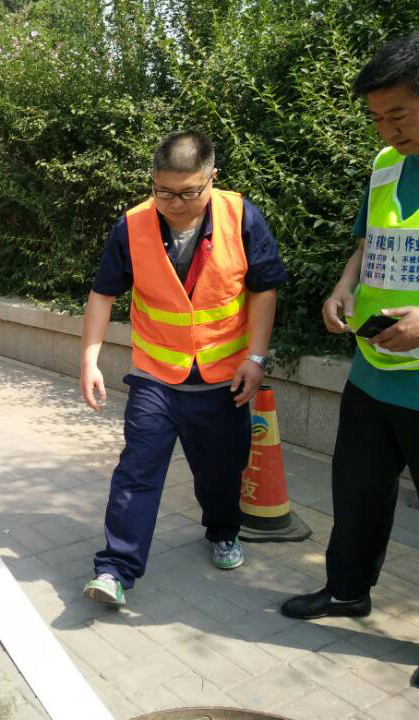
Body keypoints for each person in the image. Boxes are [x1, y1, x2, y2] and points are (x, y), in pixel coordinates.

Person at [79, 131, 287, 606]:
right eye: (164, 192)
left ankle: (223, 531)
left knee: (221, 473)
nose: (175, 204)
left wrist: (256, 358)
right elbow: (102, 294)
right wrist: (89, 359)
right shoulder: (131, 226)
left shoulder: (242, 217)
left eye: (189, 192)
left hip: (222, 378)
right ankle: (114, 568)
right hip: (156, 375)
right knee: (137, 471)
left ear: (212, 178)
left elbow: (264, 289)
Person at [282, 35, 419, 623]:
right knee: (357, 491)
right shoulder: (386, 165)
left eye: (398, 115)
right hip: (374, 370)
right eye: (376, 118)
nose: (386, 130)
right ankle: (346, 591)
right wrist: (343, 287)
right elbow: (369, 244)